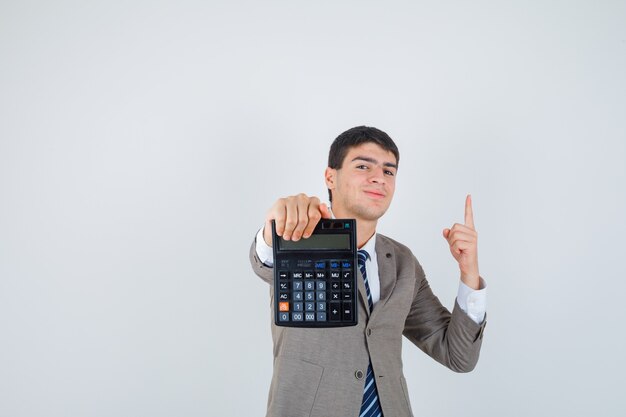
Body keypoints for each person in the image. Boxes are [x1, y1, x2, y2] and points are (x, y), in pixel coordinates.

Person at [249, 126, 487, 417]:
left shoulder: (403, 262)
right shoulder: (299, 238)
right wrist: (274, 232)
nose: (379, 178)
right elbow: (265, 262)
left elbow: (458, 355)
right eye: (363, 166)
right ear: (330, 177)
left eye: (389, 171)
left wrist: (469, 272)